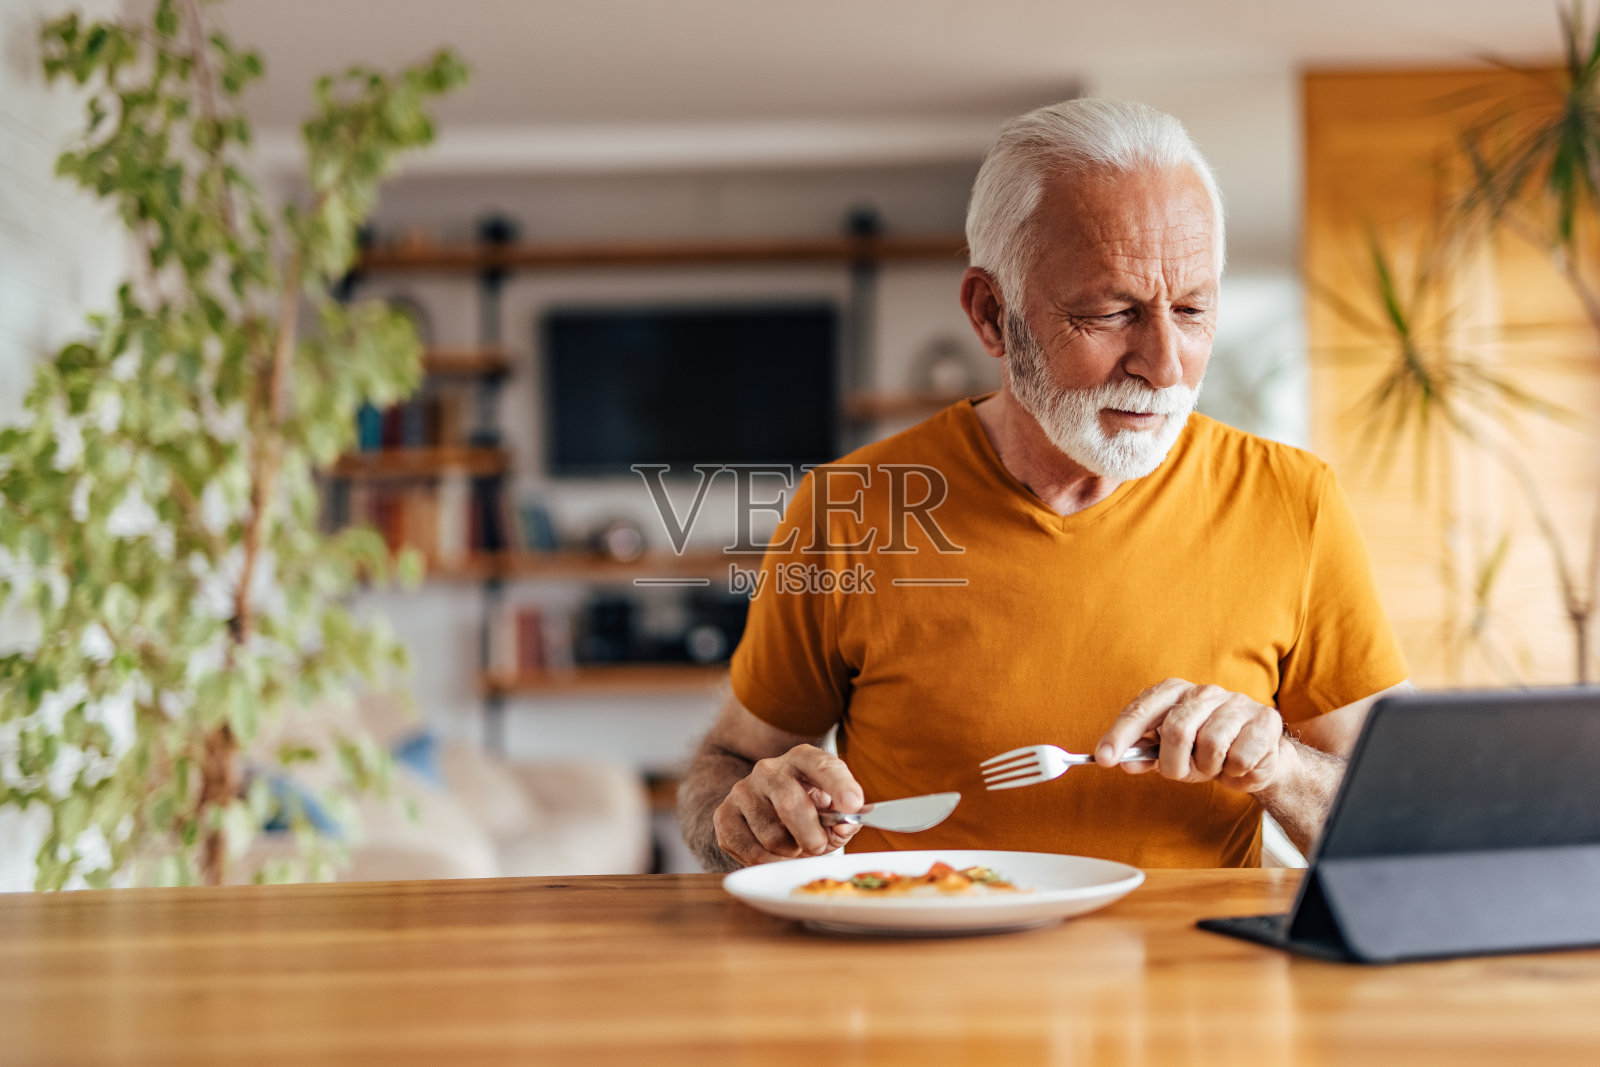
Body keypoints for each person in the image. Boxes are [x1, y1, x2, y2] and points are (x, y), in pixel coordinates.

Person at [678, 98, 1409, 873]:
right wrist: (744, 815)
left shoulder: (1292, 501)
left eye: (1192, 309)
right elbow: (720, 770)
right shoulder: (849, 508)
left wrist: (1281, 769)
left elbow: (1400, 830)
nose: (1164, 365)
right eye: (1112, 311)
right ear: (992, 314)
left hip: (1194, 983)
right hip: (918, 968)